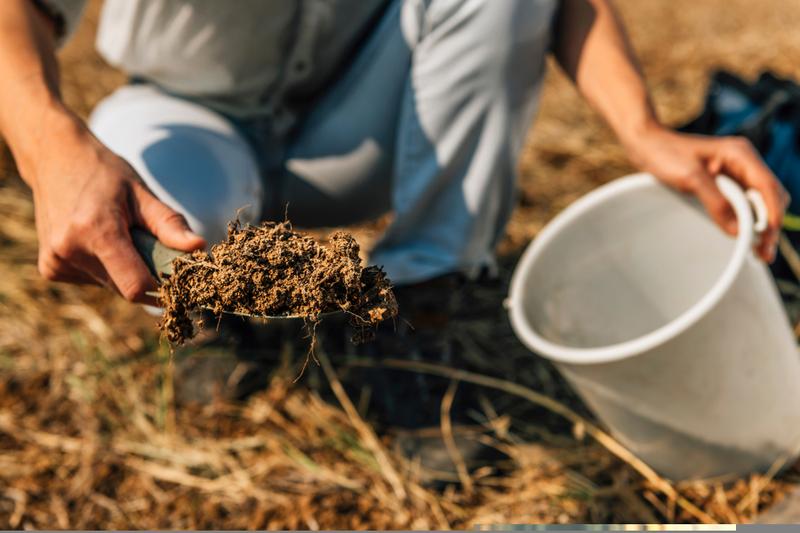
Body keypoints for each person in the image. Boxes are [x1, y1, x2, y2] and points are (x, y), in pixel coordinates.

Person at [0, 0, 789, 445]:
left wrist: (645, 131)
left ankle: (419, 309)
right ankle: (211, 322)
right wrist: (50, 145)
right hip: (188, 115)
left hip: (358, 131)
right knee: (163, 222)